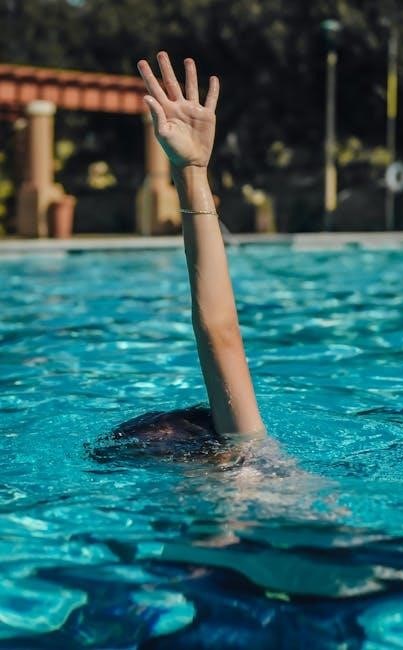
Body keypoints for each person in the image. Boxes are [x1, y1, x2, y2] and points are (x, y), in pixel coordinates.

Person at [111, 53, 265, 456]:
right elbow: (220, 333)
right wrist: (191, 170)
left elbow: (219, 331)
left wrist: (192, 171)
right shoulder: (253, 457)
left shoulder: (241, 453)